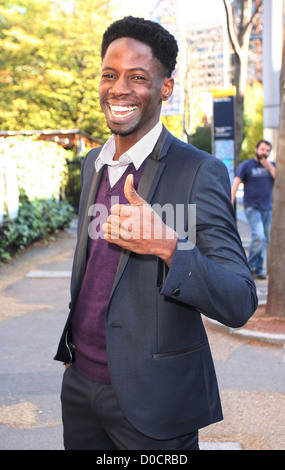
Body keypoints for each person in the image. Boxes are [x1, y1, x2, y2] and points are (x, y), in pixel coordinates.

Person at [55, 16, 257, 450]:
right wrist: (74, 362)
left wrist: (169, 245)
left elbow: (240, 300)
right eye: (110, 74)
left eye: (138, 77)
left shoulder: (199, 171)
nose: (119, 88)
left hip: (155, 405)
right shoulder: (92, 163)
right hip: (80, 389)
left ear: (165, 87)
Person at [231, 140, 276, 279]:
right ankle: (250, 266)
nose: (265, 153)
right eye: (263, 149)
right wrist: (230, 203)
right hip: (252, 207)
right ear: (256, 149)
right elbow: (236, 184)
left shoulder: (272, 166)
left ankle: (258, 268)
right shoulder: (247, 165)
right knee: (259, 236)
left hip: (267, 208)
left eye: (267, 150)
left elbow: (279, 179)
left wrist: (268, 166)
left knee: (265, 240)